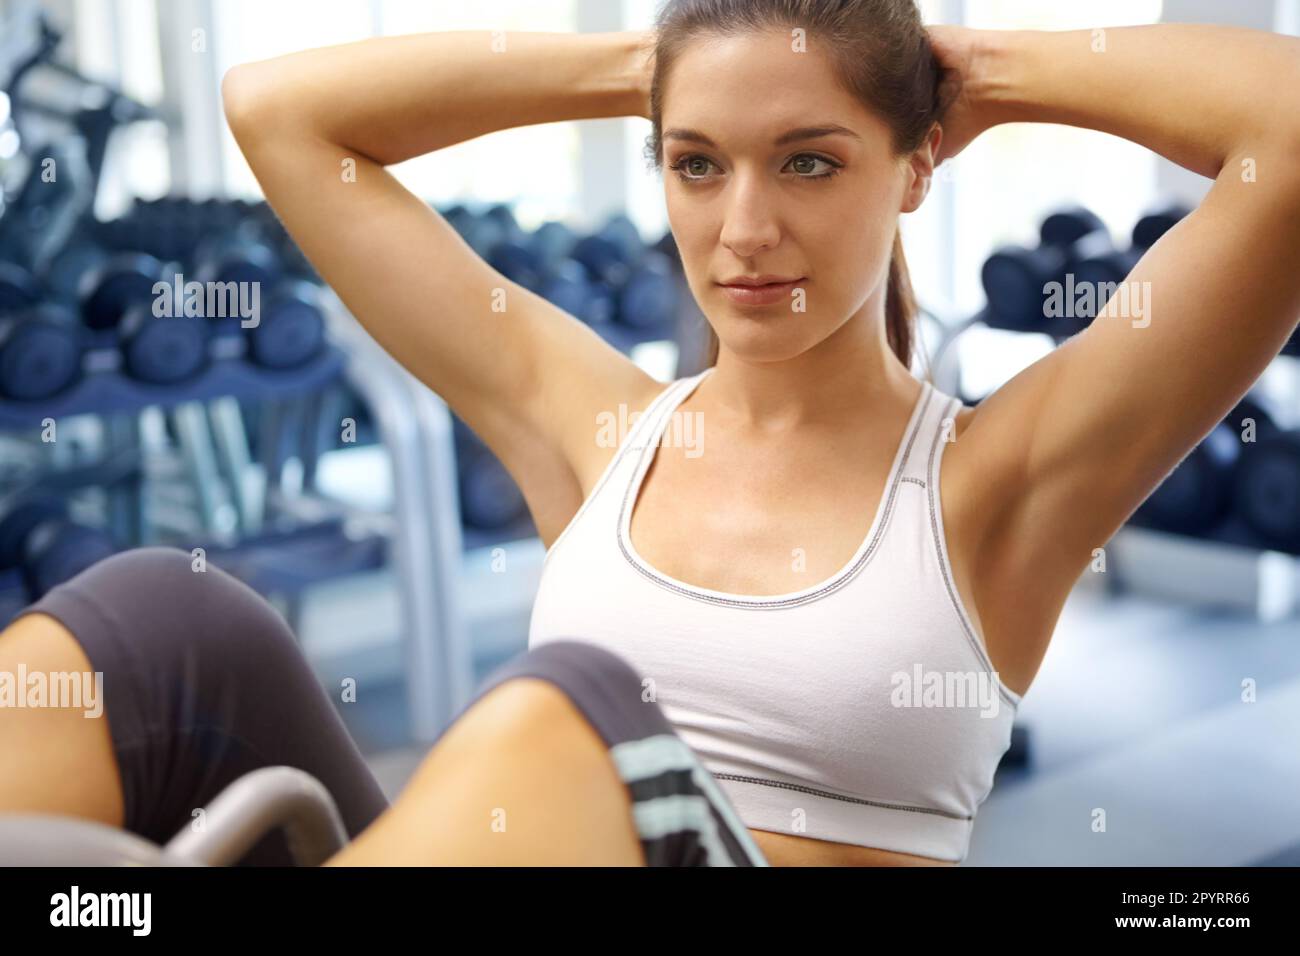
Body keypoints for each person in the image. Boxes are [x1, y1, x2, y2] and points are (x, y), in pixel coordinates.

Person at [4, 0, 1299, 866]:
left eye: (808, 162)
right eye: (695, 162)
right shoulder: (595, 425)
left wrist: (961, 73)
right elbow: (280, 111)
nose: (741, 231)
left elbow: (1288, 141)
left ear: (914, 168)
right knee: (160, 628)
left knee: (572, 712)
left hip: (617, 780)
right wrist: (664, 65)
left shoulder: (998, 483)